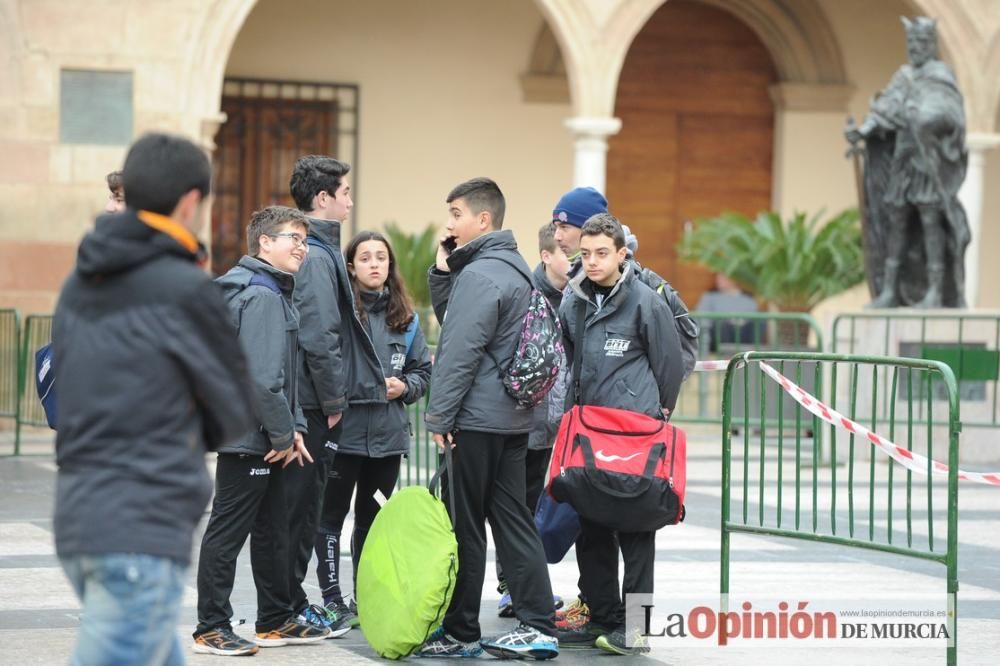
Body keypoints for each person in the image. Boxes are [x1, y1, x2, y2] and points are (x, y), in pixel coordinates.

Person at [52, 132, 256, 665]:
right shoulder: (185, 286)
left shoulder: (80, 279)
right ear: (190, 200)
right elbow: (232, 407)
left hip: (79, 516)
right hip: (143, 521)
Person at [416, 177, 559, 659]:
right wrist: (443, 270)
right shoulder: (512, 268)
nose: (449, 223)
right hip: (514, 418)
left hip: (476, 420)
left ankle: (460, 632)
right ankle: (538, 624)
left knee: (466, 525)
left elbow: (459, 350)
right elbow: (460, 320)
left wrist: (438, 417)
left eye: (455, 214)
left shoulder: (480, 276)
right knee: (514, 521)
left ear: (482, 220)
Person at [193, 206, 332, 656]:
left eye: (304, 240)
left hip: (260, 431)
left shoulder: (262, 289)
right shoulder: (263, 296)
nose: (300, 247)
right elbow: (261, 378)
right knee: (228, 532)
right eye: (291, 237)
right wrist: (281, 435)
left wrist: (290, 428)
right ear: (263, 243)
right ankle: (210, 627)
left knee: (273, 530)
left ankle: (274, 620)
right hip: (250, 436)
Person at [556, 213, 683, 655]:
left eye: (601, 254)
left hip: (636, 437)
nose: (591, 262)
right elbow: (568, 359)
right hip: (589, 434)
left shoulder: (647, 302)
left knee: (636, 531)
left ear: (622, 254)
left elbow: (670, 365)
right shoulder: (572, 301)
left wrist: (657, 412)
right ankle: (605, 618)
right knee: (591, 528)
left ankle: (637, 627)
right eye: (585, 254)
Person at [314, 230, 433, 620]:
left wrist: (406, 386)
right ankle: (332, 598)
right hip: (343, 437)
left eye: (381, 257)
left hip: (387, 440)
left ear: (390, 265)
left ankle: (365, 596)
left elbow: (423, 373)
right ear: (351, 267)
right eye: (365, 258)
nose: (374, 264)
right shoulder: (340, 312)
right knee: (330, 518)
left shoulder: (408, 319)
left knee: (372, 522)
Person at [844, 16, 969, 308]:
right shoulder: (904, 76)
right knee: (896, 223)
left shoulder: (941, 76)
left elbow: (951, 114)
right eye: (911, 42)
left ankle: (936, 292)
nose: (915, 48)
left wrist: (924, 119)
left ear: (931, 44)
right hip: (903, 160)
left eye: (920, 42)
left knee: (930, 222)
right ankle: (889, 290)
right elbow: (885, 108)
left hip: (929, 163)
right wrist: (862, 131)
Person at [287, 154, 357, 633]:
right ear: (322, 198)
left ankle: (289, 604)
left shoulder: (324, 249)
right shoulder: (315, 254)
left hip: (315, 400)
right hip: (314, 404)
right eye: (345, 192)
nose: (351, 200)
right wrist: (333, 403)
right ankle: (289, 607)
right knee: (301, 507)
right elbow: (320, 334)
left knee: (303, 506)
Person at [495, 223, 569, 618]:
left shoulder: (575, 297)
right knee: (518, 509)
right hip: (526, 421)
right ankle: (513, 588)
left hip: (556, 426)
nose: (575, 262)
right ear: (546, 256)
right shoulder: (529, 293)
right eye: (567, 254)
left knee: (534, 509)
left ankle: (525, 585)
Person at [694, 273, 761, 352]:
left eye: (724, 278)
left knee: (760, 322)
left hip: (742, 332)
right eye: (719, 278)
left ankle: (753, 352)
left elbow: (753, 319)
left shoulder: (749, 300)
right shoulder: (710, 297)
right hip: (721, 333)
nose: (719, 280)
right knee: (722, 325)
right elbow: (702, 320)